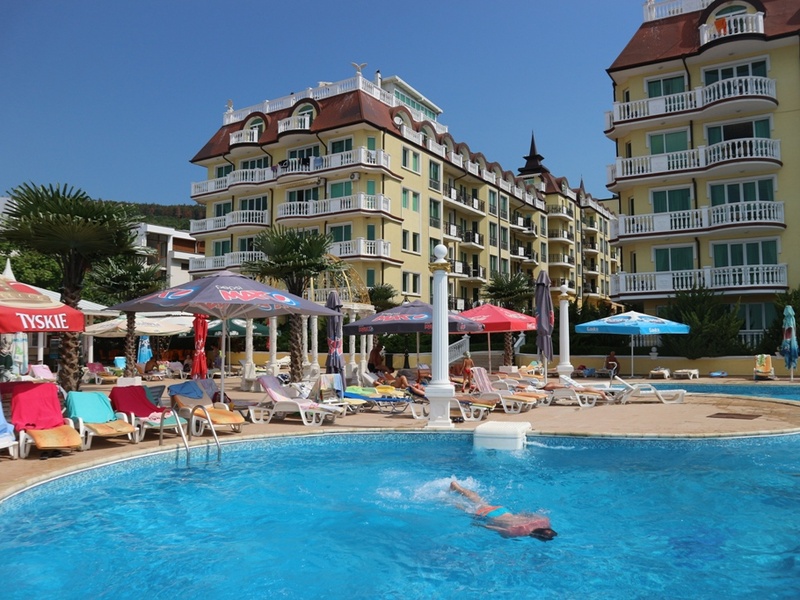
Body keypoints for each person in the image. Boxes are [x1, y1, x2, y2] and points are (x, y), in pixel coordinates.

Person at [449, 480, 557, 541]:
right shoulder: (520, 532)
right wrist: (480, 525)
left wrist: (518, 516)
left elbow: (527, 514)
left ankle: (458, 488)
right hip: (490, 516)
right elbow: (496, 528)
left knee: (480, 501)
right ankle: (447, 499)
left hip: (503, 511)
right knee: (465, 510)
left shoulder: (543, 521)